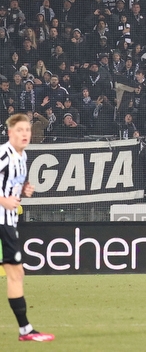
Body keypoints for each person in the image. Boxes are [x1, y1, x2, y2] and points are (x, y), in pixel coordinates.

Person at [0, 114, 55, 342]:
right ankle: (25, 330)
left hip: (8, 221)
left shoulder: (22, 157)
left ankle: (25, 330)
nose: (25, 134)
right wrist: (2, 201)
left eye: (28, 130)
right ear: (10, 132)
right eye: (20, 130)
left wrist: (23, 190)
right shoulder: (4, 154)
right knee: (15, 272)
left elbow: (10, 186)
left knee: (16, 272)